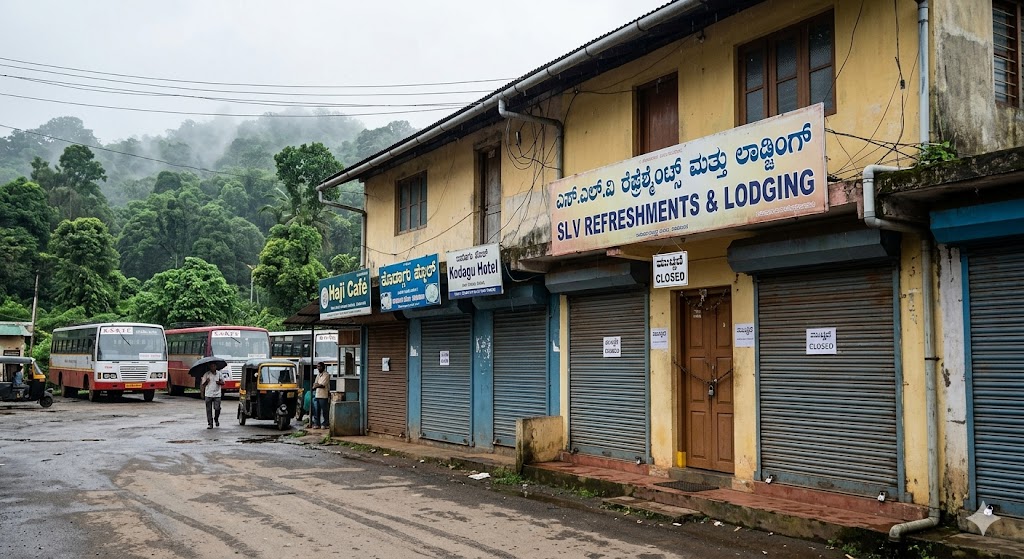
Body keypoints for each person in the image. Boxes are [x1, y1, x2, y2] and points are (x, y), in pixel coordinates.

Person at [200, 362, 229, 429]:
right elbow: (203, 385)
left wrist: (219, 382)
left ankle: (216, 418)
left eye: (214, 366)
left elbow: (223, 382)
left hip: (217, 394)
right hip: (208, 393)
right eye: (211, 366)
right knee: (208, 410)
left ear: (216, 367)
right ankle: (210, 423)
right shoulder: (207, 374)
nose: (213, 367)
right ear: (210, 367)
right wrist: (206, 382)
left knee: (217, 408)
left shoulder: (219, 373)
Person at [311, 361, 330, 429]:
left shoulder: (326, 375)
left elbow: (322, 385)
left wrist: (316, 385)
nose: (318, 368)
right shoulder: (318, 375)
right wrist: (316, 385)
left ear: (323, 367)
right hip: (317, 394)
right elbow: (315, 384)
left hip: (323, 395)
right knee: (316, 410)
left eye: (319, 367)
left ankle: (325, 423)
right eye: (317, 367)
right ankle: (317, 423)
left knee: (324, 411)